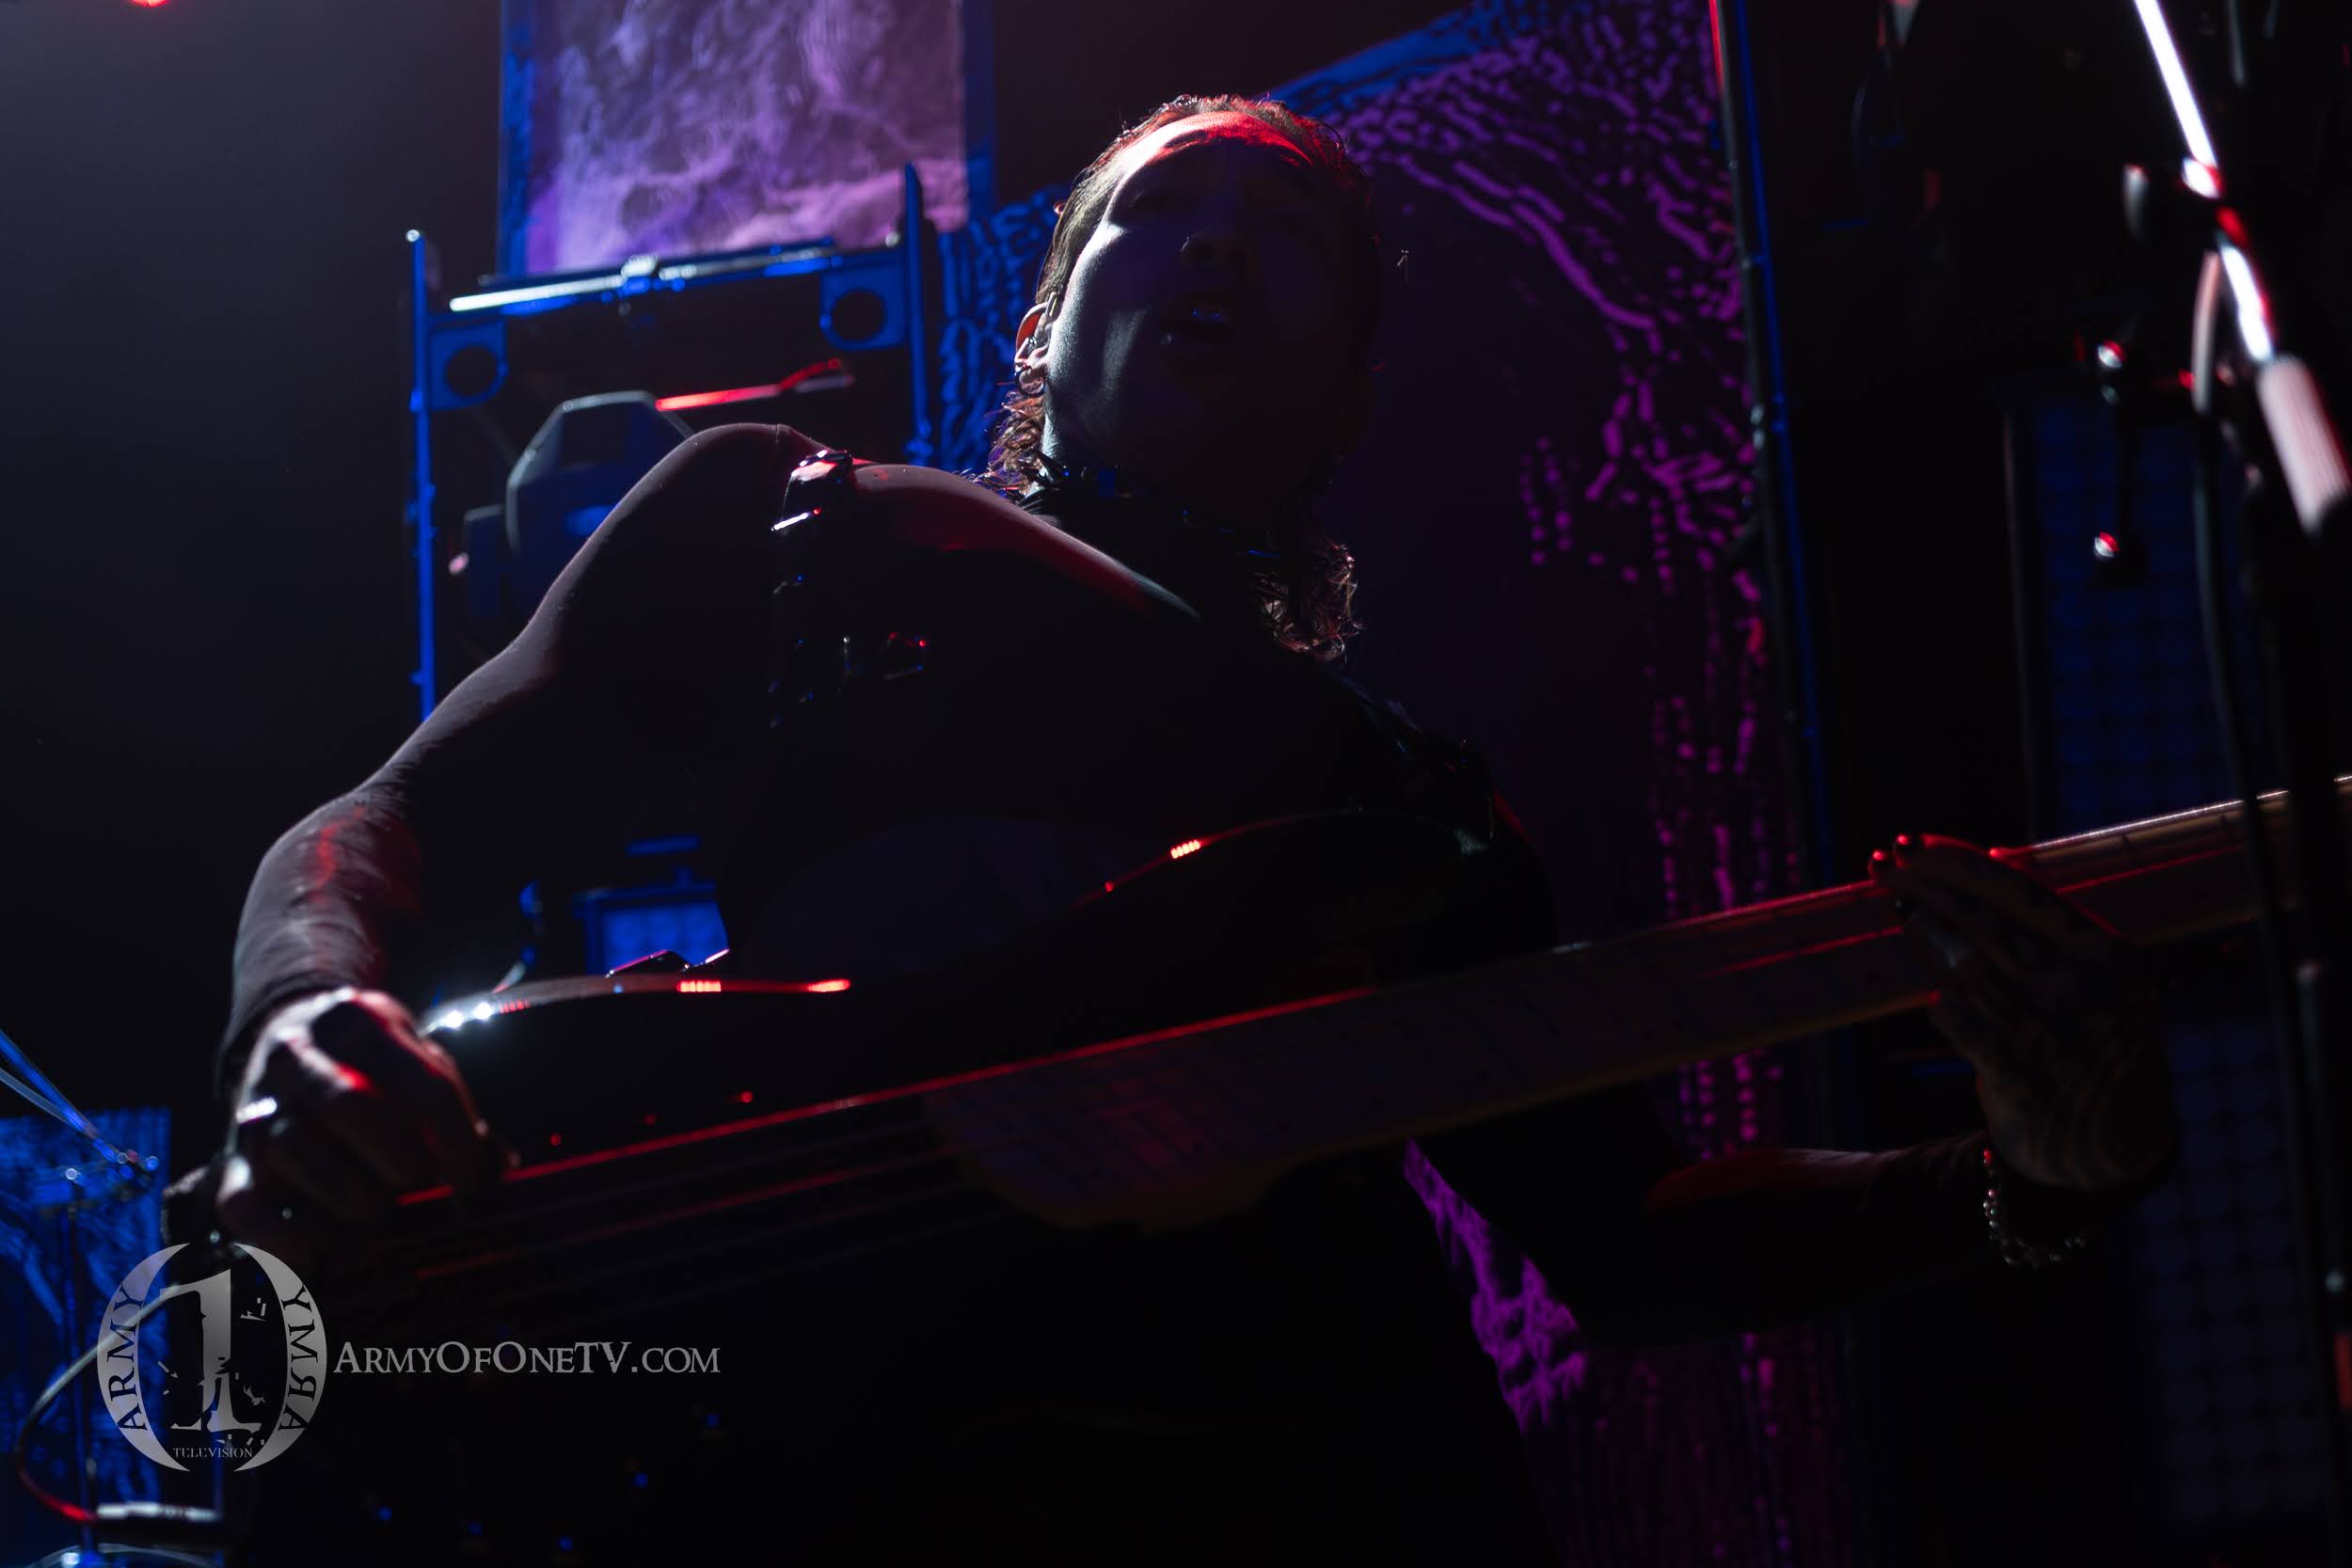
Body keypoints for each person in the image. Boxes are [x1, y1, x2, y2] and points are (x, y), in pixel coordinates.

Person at [203, 96, 2177, 1561]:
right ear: (1044, 325)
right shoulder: (786, 529)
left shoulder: (1404, 814)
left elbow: (1627, 1242)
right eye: (1160, 214)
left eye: (1284, 234)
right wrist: (305, 1008)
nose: (1218, 248)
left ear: (1350, 399)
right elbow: (394, 821)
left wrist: (2025, 1187)